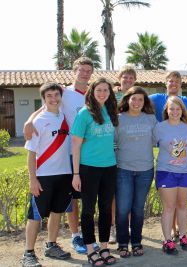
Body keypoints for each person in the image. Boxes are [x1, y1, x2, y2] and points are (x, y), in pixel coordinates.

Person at [23, 57, 97, 254]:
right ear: (75, 71)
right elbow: (47, 105)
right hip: (52, 166)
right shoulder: (64, 92)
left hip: (81, 158)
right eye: (81, 69)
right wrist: (30, 120)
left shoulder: (94, 93)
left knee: (68, 204)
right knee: (42, 212)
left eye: (88, 70)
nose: (84, 73)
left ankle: (54, 244)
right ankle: (33, 251)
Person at [22, 83, 72, 267]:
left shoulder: (65, 117)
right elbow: (31, 153)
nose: (53, 99)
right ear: (43, 99)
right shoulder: (38, 121)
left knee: (57, 212)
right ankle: (28, 253)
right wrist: (32, 179)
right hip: (43, 176)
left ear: (61, 96)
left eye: (56, 95)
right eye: (49, 96)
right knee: (35, 216)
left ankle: (51, 245)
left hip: (64, 174)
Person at [71, 77, 118, 265]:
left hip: (109, 167)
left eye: (106, 90)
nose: (102, 93)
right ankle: (91, 249)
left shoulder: (110, 111)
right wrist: (75, 174)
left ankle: (104, 247)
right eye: (99, 90)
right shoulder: (84, 114)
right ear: (92, 91)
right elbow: (75, 145)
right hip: (88, 168)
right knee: (88, 210)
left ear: (110, 93)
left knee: (106, 209)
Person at [114, 87, 157, 257]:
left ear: (144, 102)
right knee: (123, 209)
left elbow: (158, 140)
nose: (137, 102)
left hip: (145, 170)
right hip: (123, 169)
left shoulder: (151, 119)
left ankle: (137, 241)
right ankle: (123, 242)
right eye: (134, 99)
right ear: (127, 100)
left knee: (138, 209)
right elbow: (113, 142)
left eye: (140, 99)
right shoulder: (118, 119)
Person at [153, 96, 187, 255]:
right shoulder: (159, 127)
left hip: (186, 171)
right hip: (166, 172)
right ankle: (167, 240)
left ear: (182, 111)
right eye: (172, 109)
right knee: (169, 207)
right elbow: (149, 144)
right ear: (166, 110)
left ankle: (184, 235)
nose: (175, 112)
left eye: (178, 109)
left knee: (183, 206)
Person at [109, 64, 137, 244]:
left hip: (130, 149)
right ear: (119, 78)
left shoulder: (137, 97)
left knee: (128, 192)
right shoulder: (111, 95)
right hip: (110, 147)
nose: (127, 80)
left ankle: (126, 225)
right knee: (113, 192)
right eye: (124, 77)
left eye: (131, 77)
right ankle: (113, 227)